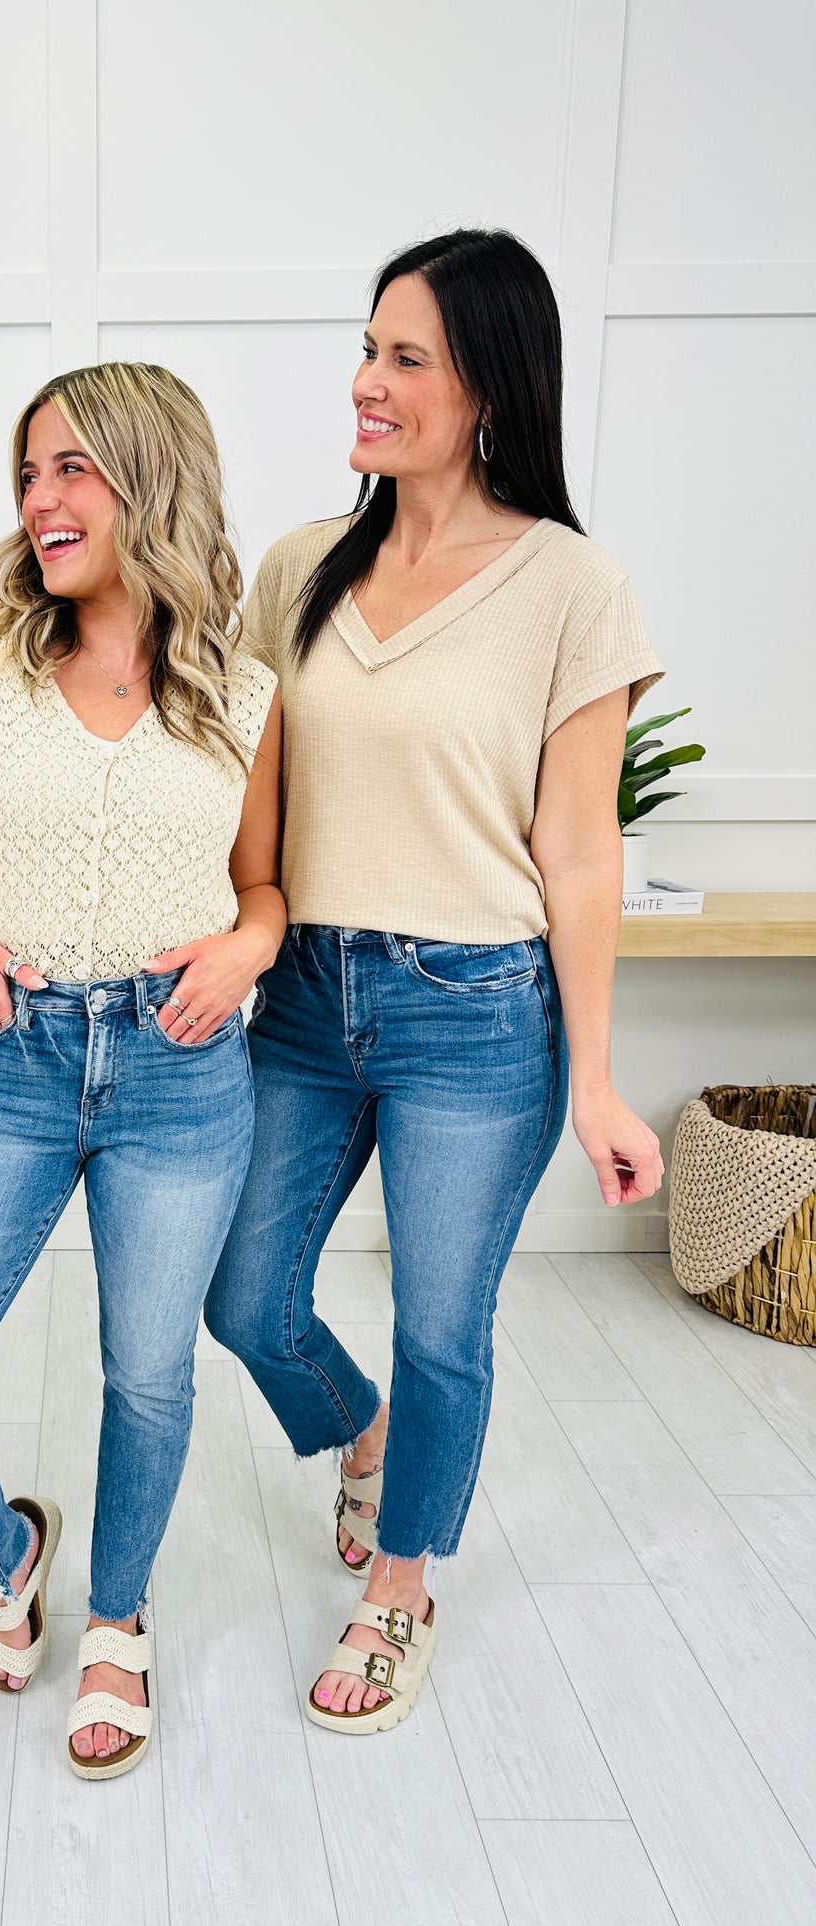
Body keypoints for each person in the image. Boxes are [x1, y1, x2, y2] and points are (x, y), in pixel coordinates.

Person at [205, 229, 665, 1734]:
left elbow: (579, 849)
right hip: (303, 996)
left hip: (476, 1012)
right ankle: (368, 1436)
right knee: (244, 1294)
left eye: (406, 359)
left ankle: (400, 1584)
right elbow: (233, 787)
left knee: (441, 1323)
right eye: (368, 349)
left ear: (490, 391)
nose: (367, 382)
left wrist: (596, 1080)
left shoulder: (572, 587)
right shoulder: (298, 572)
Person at [0, 361, 284, 1777]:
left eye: (72, 469)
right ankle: (0, 1559)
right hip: (14, 1060)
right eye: (29, 472)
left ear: (152, 479)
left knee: (149, 1375)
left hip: (182, 1068)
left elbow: (264, 887)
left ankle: (120, 1618)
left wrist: (247, 950)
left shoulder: (244, 694)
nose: (41, 499)